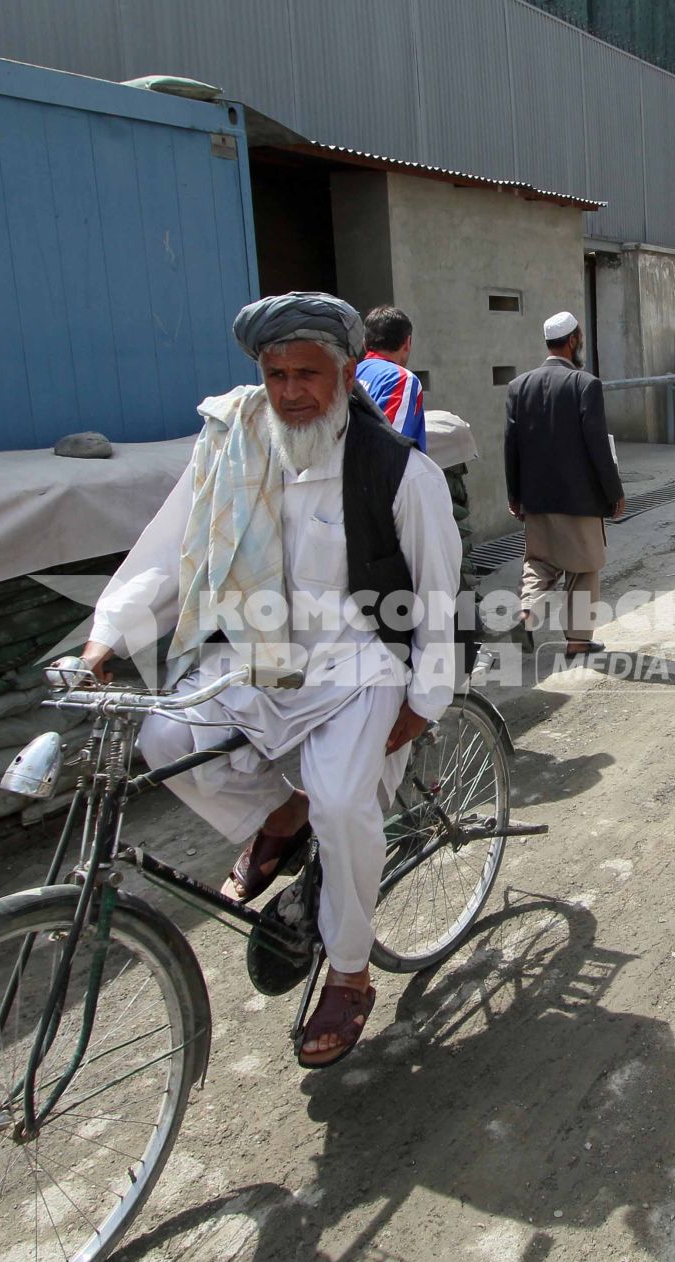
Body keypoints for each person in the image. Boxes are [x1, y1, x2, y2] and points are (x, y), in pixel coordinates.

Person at [78, 291, 460, 1069]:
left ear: (346, 372)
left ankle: (349, 972)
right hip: (260, 651)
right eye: (275, 372)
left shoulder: (398, 472)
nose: (290, 392)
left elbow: (437, 595)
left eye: (308, 374)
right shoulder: (229, 447)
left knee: (348, 804)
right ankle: (279, 817)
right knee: (167, 731)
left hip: (360, 664)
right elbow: (171, 548)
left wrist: (424, 703)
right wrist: (110, 634)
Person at [504, 311, 625, 657]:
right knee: (584, 567)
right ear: (573, 340)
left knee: (539, 563)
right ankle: (576, 640)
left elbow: (510, 444)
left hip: (537, 497)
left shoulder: (518, 386)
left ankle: (525, 613)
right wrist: (614, 492)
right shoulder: (585, 385)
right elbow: (597, 445)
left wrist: (515, 494)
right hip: (580, 498)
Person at [356, 306, 427, 452]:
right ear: (407, 342)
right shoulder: (401, 379)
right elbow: (391, 446)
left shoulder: (349, 374)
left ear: (364, 343)